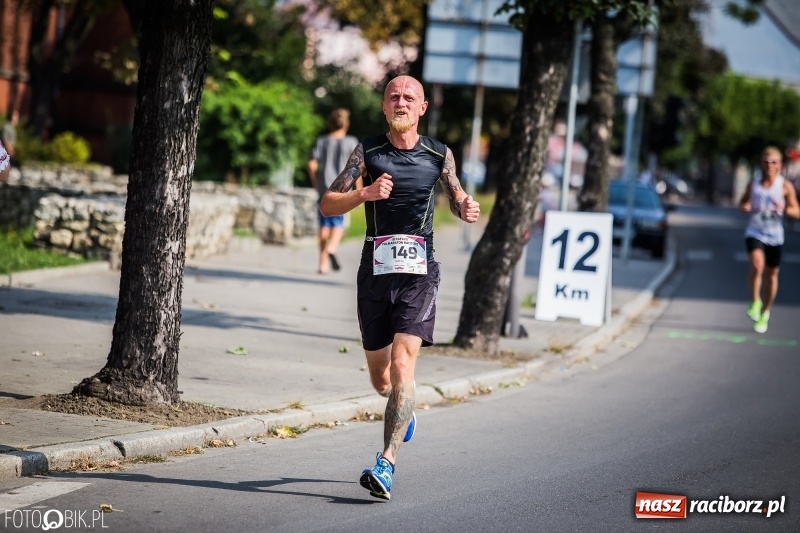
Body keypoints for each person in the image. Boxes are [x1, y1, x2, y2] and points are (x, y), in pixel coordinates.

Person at [320, 75, 480, 500]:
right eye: (394, 96)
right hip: (374, 274)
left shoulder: (438, 153)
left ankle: (386, 463)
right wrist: (365, 194)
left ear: (422, 108)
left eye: (409, 97)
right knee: (382, 379)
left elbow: (457, 195)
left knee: (404, 362)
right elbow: (326, 202)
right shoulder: (368, 151)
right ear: (384, 107)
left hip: (419, 273)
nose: (401, 101)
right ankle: (402, 408)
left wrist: (465, 206)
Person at [739, 146, 800, 333]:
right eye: (766, 162)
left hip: (775, 235)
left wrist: (783, 208)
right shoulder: (754, 184)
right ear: (761, 164)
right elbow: (742, 203)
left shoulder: (785, 186)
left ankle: (765, 313)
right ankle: (756, 301)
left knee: (772, 275)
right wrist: (746, 206)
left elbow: (796, 212)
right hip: (755, 231)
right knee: (757, 265)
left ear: (780, 165)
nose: (770, 166)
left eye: (773, 162)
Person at [308, 108, 359, 274]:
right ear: (346, 125)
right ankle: (332, 248)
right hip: (342, 190)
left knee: (323, 225)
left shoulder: (322, 141)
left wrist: (317, 183)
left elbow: (311, 164)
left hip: (324, 189)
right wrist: (359, 190)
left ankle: (322, 264)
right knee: (339, 223)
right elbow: (357, 167)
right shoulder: (351, 142)